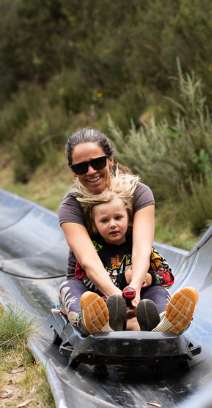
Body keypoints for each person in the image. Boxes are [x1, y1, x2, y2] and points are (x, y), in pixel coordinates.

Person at [58, 128, 197, 335]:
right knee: (70, 290)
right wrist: (118, 299)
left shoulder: (139, 194)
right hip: (90, 286)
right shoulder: (71, 206)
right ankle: (93, 321)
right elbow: (88, 261)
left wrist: (135, 291)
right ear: (73, 171)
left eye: (97, 163)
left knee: (157, 290)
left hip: (134, 281)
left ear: (110, 160)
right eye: (80, 167)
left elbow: (142, 248)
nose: (90, 171)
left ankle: (164, 321)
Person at [73, 173, 180, 333]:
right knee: (94, 298)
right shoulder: (93, 250)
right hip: (107, 299)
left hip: (141, 303)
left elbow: (168, 277)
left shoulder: (140, 246)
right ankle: (102, 322)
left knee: (159, 291)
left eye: (118, 218)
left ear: (129, 220)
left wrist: (150, 278)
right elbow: (83, 279)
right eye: (104, 220)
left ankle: (163, 320)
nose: (112, 225)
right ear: (94, 226)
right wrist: (124, 280)